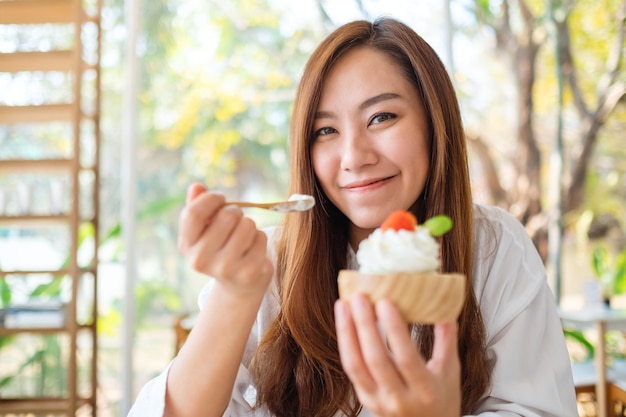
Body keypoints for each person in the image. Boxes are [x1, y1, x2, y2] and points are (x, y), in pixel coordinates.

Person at [128, 17, 577, 417]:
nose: (354, 157)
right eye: (326, 130)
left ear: (433, 123)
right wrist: (235, 293)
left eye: (381, 117)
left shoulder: (494, 247)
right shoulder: (265, 262)